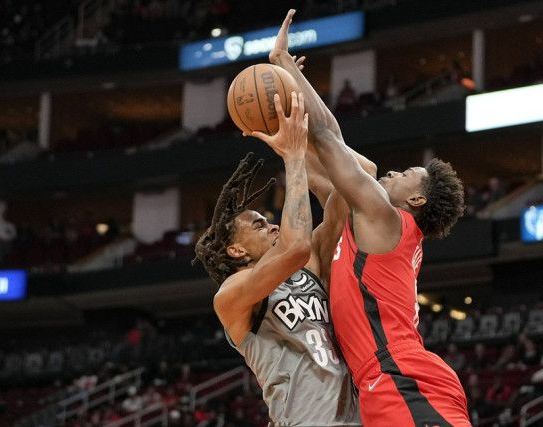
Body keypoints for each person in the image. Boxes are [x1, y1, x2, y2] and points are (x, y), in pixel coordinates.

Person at [270, 9, 469, 426]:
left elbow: (328, 137)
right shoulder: (372, 224)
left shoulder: (387, 219)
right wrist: (284, 122)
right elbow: (326, 162)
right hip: (390, 380)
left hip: (401, 377)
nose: (395, 172)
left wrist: (284, 64)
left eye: (407, 173)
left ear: (416, 198)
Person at [193, 92, 361, 426]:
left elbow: (356, 181)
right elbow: (295, 247)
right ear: (236, 251)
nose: (271, 226)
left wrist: (303, 129)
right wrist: (292, 155)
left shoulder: (309, 267)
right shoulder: (231, 297)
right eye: (259, 225)